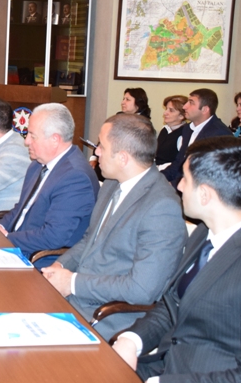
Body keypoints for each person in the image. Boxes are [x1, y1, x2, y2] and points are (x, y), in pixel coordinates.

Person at [113, 137, 241, 383]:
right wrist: (131, 340)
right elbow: (173, 306)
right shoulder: (205, 231)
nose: (179, 186)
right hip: (170, 368)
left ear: (205, 194)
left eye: (185, 179)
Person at [41, 114, 186, 340]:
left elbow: (141, 289)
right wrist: (59, 266)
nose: (96, 151)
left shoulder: (161, 208)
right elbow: (90, 240)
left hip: (106, 318)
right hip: (74, 300)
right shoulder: (111, 184)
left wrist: (72, 283)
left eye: (101, 146)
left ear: (123, 158)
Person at [0, 103, 99, 269]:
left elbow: (54, 236)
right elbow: (21, 209)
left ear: (55, 139)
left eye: (32, 136)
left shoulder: (75, 177)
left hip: (39, 259)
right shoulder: (37, 164)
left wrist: (7, 238)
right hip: (15, 247)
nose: (26, 141)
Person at [162, 88, 231, 186]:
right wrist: (159, 178)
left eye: (191, 103)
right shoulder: (187, 128)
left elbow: (206, 174)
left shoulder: (219, 134)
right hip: (183, 183)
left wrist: (172, 185)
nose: (185, 107)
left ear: (205, 109)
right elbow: (179, 163)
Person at [155, 94, 188, 166]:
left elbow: (180, 163)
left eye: (171, 110)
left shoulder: (184, 134)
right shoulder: (165, 129)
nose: (165, 113)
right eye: (166, 109)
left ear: (181, 116)